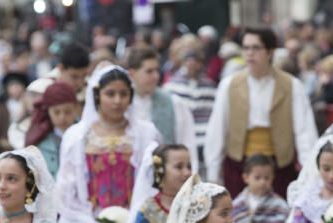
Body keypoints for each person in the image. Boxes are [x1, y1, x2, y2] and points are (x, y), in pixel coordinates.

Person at [55, 64, 161, 223]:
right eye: (110, 94)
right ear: (97, 96)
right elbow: (66, 193)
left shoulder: (146, 134)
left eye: (123, 94)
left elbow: (153, 184)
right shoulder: (77, 137)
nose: (117, 101)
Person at [204, 27, 318, 198]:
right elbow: (217, 129)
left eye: (256, 48)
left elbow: (304, 132)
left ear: (270, 52)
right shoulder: (229, 85)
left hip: (279, 166)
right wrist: (213, 173)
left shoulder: (292, 85)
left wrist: (310, 173)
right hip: (239, 166)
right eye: (246, 48)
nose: (249, 53)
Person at [126, 46, 199, 171]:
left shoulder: (174, 103)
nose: (156, 76)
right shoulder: (123, 104)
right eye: (149, 71)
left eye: (157, 70)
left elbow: (188, 144)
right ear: (132, 74)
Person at [162, 47, 217, 171]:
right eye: (189, 61)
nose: (192, 65)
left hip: (205, 139)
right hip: (181, 139)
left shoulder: (210, 86)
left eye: (196, 62)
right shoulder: (172, 85)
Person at [23, 80, 77, 179]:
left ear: (75, 109)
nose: (62, 117)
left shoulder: (86, 135)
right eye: (56, 112)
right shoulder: (38, 141)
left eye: (68, 111)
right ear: (48, 111)